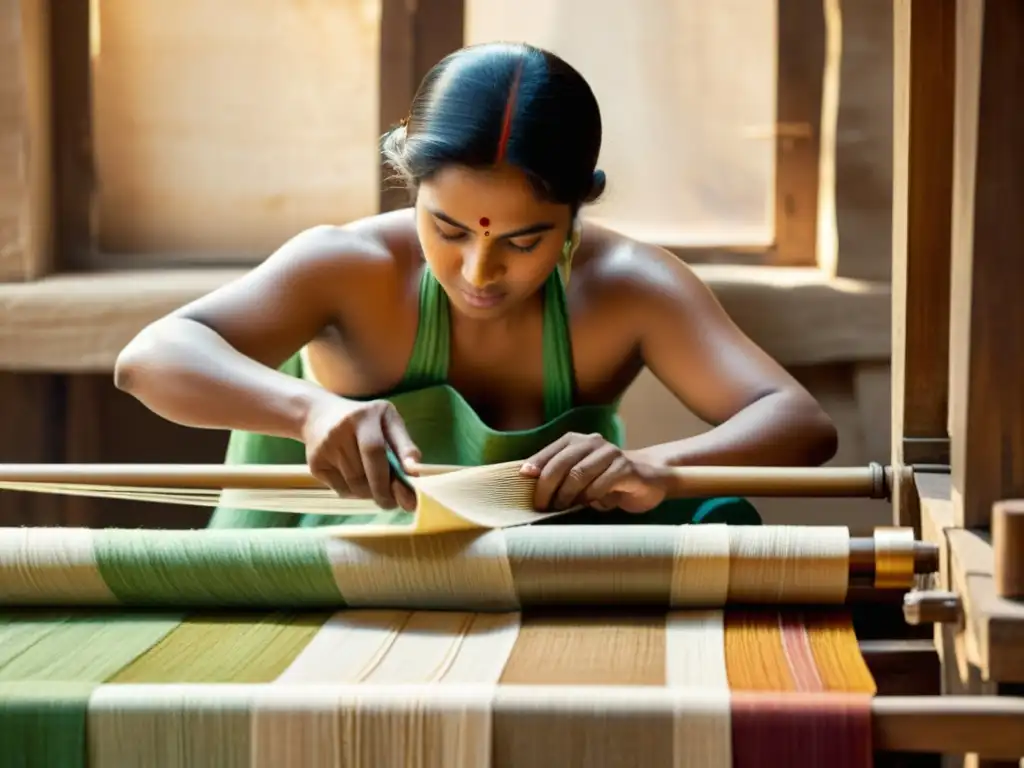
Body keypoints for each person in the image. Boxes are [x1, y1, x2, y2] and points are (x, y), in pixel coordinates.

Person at [113, 41, 838, 530]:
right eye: (449, 229)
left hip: (516, 595)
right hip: (296, 585)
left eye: (525, 241)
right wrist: (307, 411)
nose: (479, 272)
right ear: (411, 186)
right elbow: (150, 358)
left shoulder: (629, 287)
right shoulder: (348, 265)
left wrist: (659, 466)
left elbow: (800, 425)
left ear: (576, 211)